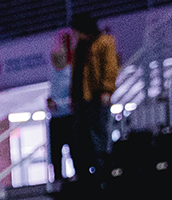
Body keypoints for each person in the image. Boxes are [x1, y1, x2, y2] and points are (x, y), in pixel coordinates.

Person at [69, 13, 119, 176]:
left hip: (96, 97)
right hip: (81, 99)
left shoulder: (104, 42)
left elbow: (110, 68)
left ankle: (101, 168)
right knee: (81, 137)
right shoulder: (80, 47)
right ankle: (85, 171)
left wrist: (106, 90)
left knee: (97, 133)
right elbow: (76, 74)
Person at [46, 36, 74, 178]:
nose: (56, 61)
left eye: (58, 57)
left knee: (74, 150)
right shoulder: (53, 75)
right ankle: (57, 178)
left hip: (68, 118)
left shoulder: (70, 74)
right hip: (56, 119)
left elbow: (72, 99)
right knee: (55, 153)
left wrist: (59, 104)